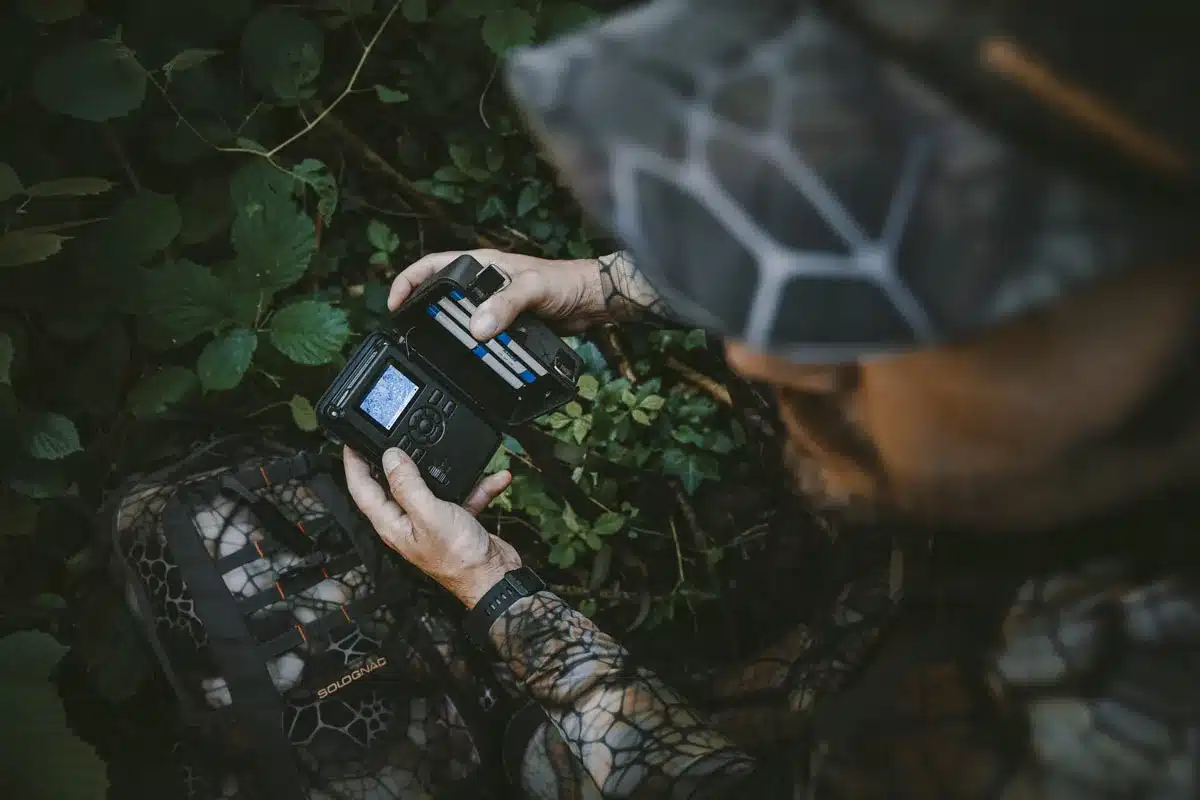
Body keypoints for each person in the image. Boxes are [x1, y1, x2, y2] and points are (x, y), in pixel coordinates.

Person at [345, 1, 1200, 797]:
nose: (762, 354)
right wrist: (597, 284)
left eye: (929, 305)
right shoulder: (1088, 415)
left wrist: (501, 597)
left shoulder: (1106, 730)